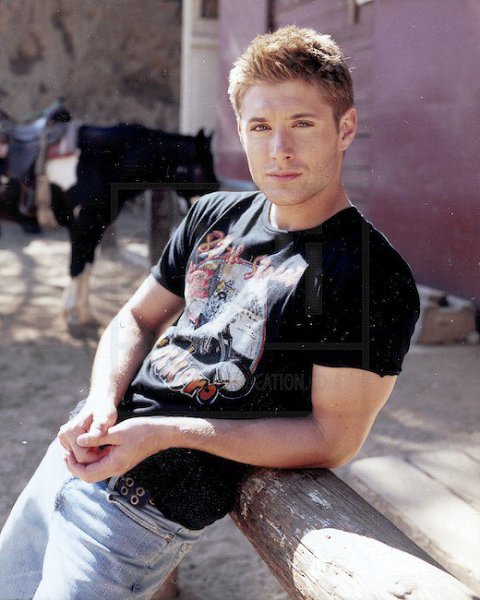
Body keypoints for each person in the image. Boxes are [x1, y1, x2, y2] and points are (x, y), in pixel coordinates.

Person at [0, 25, 420, 599]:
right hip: (69, 460)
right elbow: (136, 318)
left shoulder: (367, 272)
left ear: (345, 128)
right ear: (240, 131)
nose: (279, 149)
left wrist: (165, 432)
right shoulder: (213, 214)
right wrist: (101, 399)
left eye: (302, 124)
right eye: (260, 127)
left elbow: (332, 438)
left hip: (135, 515)